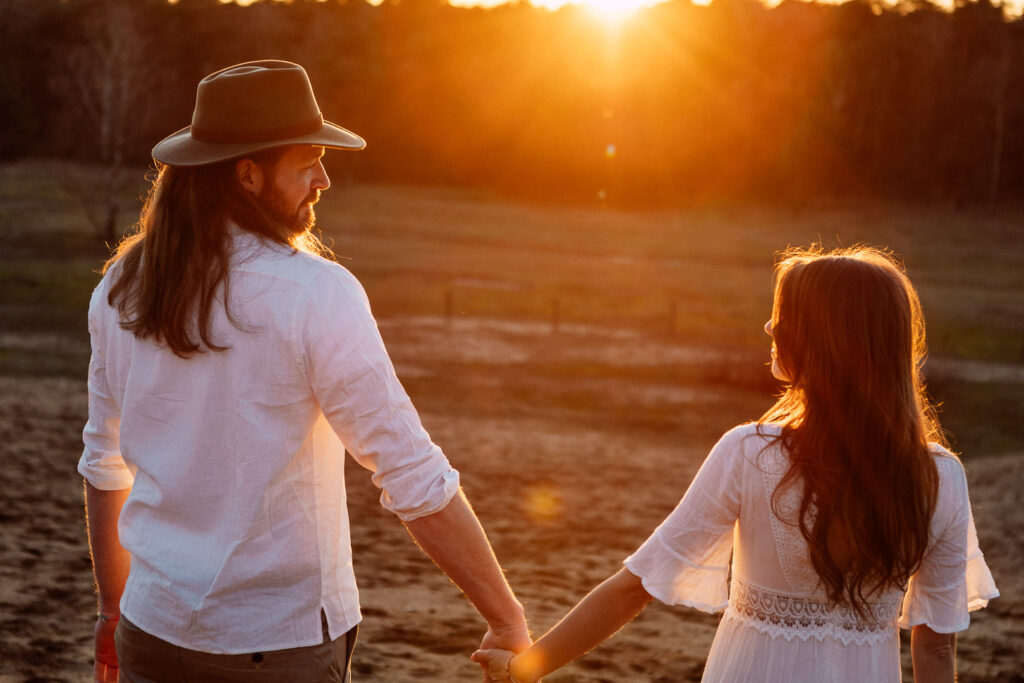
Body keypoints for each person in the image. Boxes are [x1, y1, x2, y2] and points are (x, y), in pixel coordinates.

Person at [79, 60, 530, 683]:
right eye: (308, 161)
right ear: (248, 175)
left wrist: (110, 610)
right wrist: (505, 617)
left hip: (149, 631)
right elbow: (410, 472)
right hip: (278, 643)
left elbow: (104, 463)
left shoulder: (120, 287)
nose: (323, 179)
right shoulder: (316, 293)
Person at [472, 245, 999, 682]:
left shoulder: (751, 454)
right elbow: (934, 650)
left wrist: (526, 667)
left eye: (784, 317)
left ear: (821, 343)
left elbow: (635, 586)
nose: (770, 327)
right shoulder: (939, 478)